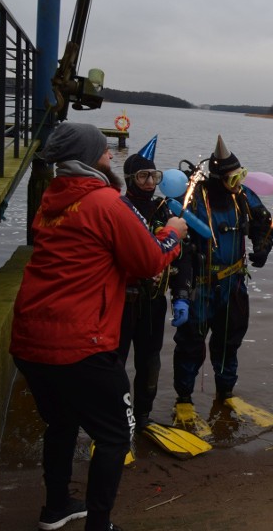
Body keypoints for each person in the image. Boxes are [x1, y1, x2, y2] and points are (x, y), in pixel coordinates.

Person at [10, 122, 187, 531]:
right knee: (114, 436)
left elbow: (87, 259)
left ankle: (57, 507)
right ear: (91, 158)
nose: (111, 156)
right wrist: (171, 234)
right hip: (80, 344)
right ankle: (99, 525)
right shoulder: (105, 202)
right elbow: (146, 261)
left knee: (62, 422)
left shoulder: (52, 199)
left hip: (29, 340)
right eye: (106, 151)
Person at [169, 134, 273, 424]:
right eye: (231, 179)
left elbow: (264, 223)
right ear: (216, 178)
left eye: (240, 176)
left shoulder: (243, 197)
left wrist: (262, 247)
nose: (237, 183)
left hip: (234, 284)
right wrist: (179, 290)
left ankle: (225, 393)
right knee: (191, 344)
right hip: (200, 285)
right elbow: (174, 241)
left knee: (230, 342)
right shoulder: (192, 199)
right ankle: (184, 399)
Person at [117, 135, 179, 432]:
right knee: (115, 364)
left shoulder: (164, 210)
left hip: (153, 302)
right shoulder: (119, 209)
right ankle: (117, 417)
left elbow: (183, 254)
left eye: (154, 175)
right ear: (129, 178)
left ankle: (142, 416)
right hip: (121, 303)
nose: (150, 182)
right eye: (143, 176)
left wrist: (183, 294)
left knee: (150, 363)